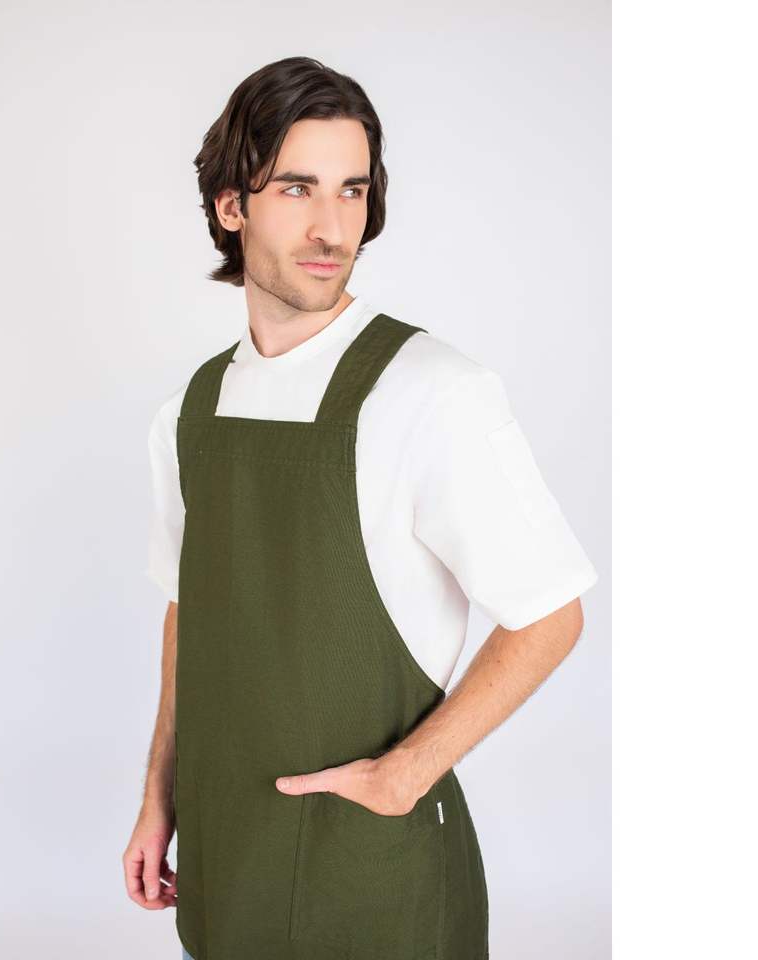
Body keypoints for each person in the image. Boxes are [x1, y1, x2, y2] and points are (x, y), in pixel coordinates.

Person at [122, 56, 598, 960]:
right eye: (296, 188)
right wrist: (159, 797)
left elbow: (550, 614)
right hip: (227, 873)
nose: (332, 226)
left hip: (373, 882)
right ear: (231, 206)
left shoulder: (434, 392)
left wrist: (407, 772)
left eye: (353, 190)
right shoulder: (190, 412)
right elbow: (191, 611)